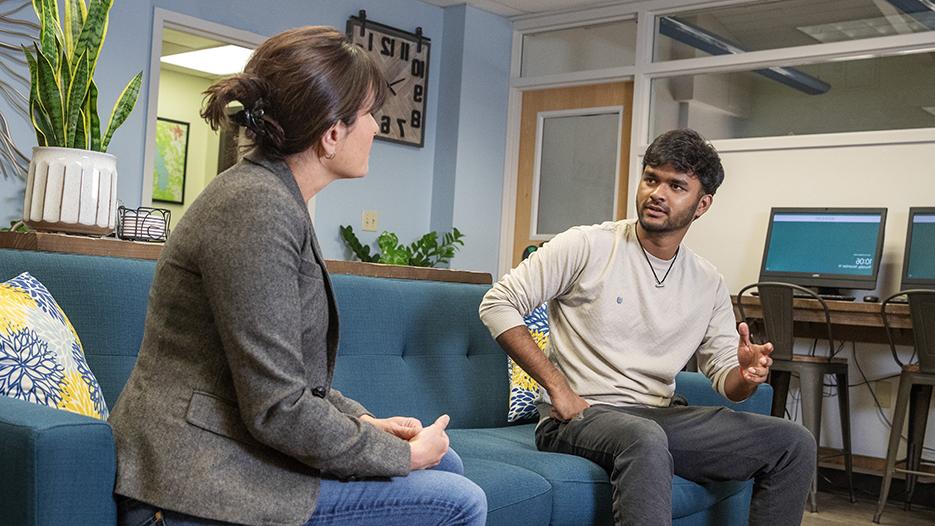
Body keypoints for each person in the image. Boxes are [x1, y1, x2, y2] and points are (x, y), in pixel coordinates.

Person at [109, 26, 486, 526]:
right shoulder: (255, 210)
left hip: (232, 450)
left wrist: (366, 422)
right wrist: (400, 455)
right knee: (460, 502)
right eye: (370, 115)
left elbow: (294, 383)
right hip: (191, 479)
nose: (377, 128)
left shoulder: (276, 200)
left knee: (450, 462)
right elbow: (279, 408)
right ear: (332, 134)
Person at [479, 129, 815, 526]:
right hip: (579, 416)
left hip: (657, 417)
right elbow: (497, 304)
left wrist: (745, 375)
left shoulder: (707, 281)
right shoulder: (587, 246)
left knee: (793, 442)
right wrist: (558, 388)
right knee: (644, 437)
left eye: (676, 186)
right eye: (651, 178)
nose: (657, 193)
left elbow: (728, 383)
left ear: (702, 204)